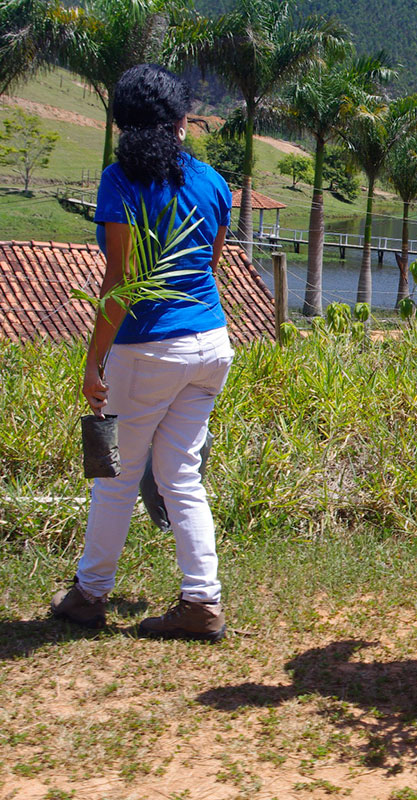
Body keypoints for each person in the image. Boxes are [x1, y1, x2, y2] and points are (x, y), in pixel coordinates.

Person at [49, 63, 235, 641]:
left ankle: (89, 594)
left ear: (126, 125)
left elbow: (120, 280)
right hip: (211, 343)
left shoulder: (120, 180)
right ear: (182, 122)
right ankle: (202, 601)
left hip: (149, 348)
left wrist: (93, 360)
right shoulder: (212, 181)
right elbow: (211, 262)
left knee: (115, 477)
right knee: (180, 475)